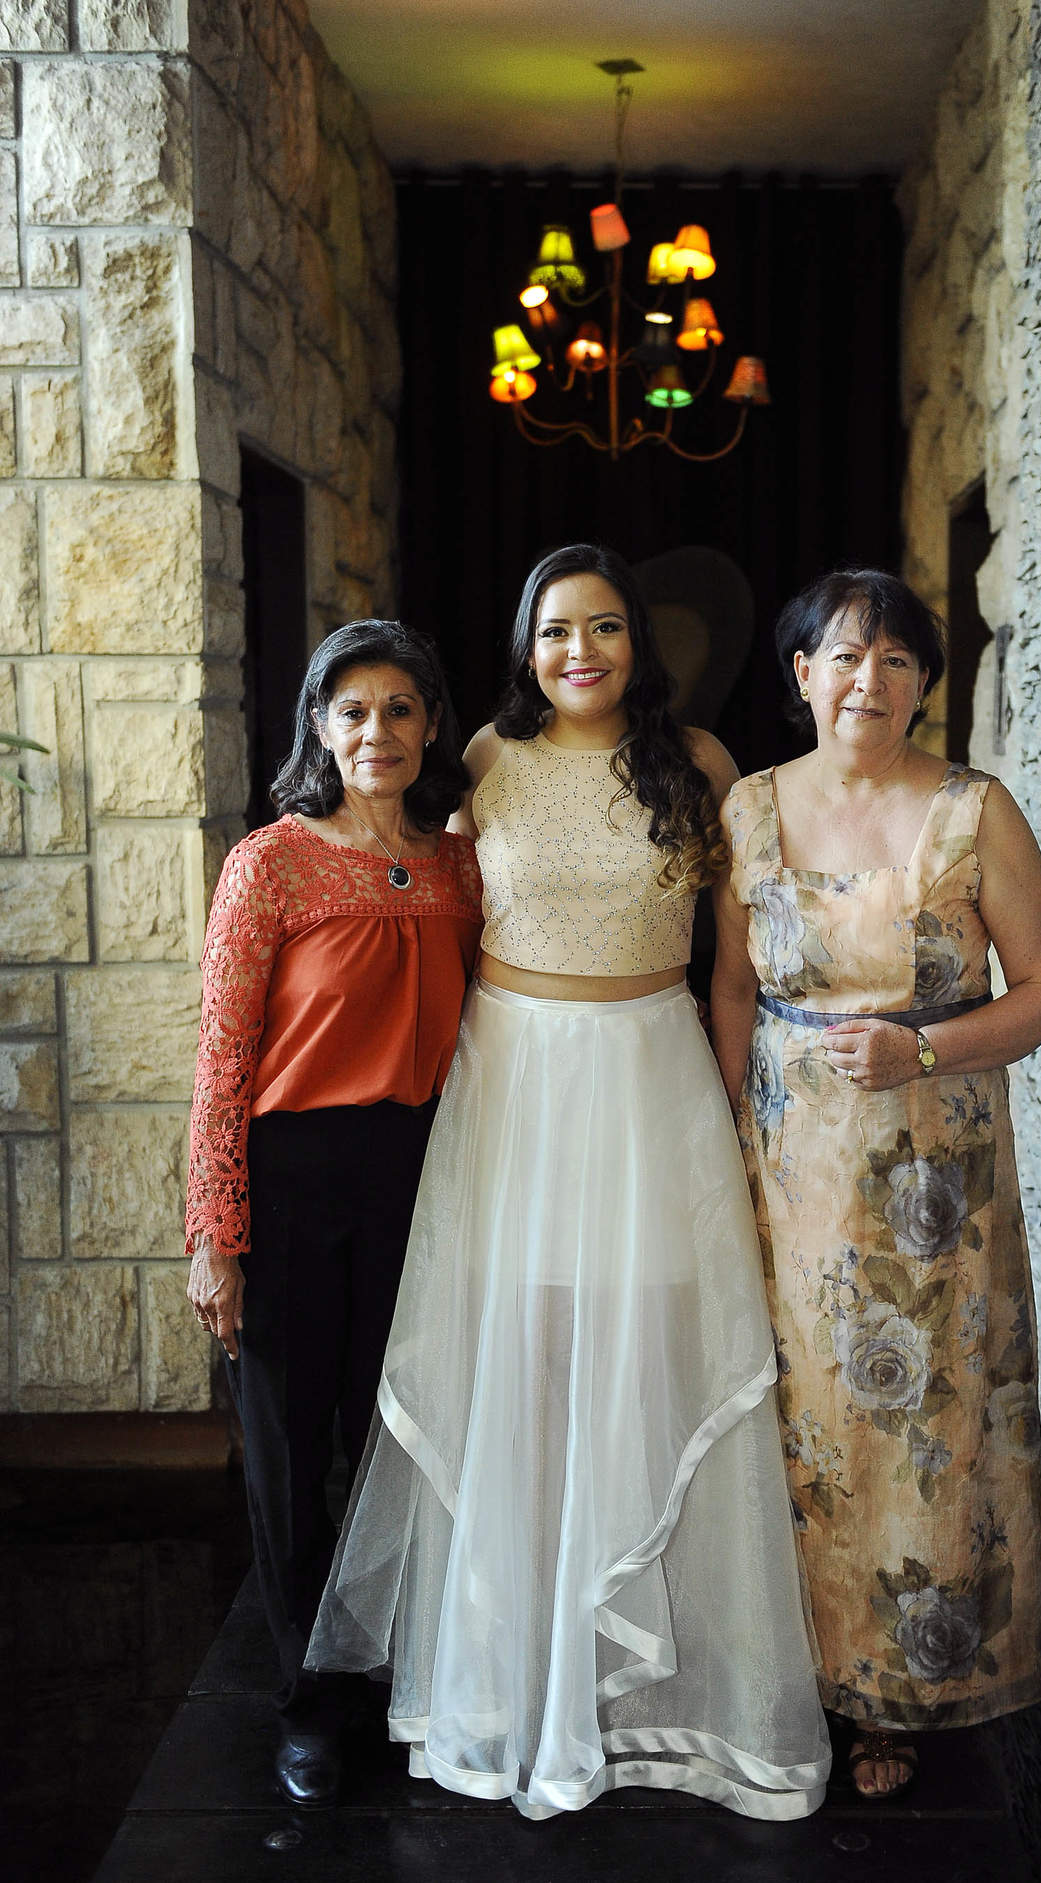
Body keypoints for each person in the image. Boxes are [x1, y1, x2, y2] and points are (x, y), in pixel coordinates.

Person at [306, 545, 831, 1821]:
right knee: (523, 1356)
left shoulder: (699, 762)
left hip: (650, 1074)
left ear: (637, 642)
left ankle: (642, 1676)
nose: (578, 651)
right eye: (554, 630)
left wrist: (730, 1104)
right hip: (515, 1079)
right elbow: (428, 906)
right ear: (525, 646)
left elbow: (732, 961)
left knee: (647, 1343)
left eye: (601, 627)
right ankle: (514, 1666)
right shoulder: (483, 757)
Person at [711, 569, 1041, 1801]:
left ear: (923, 684)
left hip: (933, 1181)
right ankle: (795, 1673)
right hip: (788, 1171)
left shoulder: (975, 811)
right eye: (843, 655)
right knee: (796, 1415)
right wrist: (727, 1131)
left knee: (916, 1419)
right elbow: (729, 986)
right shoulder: (748, 809)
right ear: (801, 673)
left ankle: (891, 1692)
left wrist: (922, 1049)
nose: (868, 680)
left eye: (897, 660)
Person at [184, 620, 482, 1806]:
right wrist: (216, 1231)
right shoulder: (272, 862)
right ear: (319, 724)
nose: (377, 731)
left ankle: (393, 1679)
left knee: (397, 1435)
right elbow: (222, 1054)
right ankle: (308, 1700)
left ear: (431, 724)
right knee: (291, 1448)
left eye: (401, 707)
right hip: (290, 1171)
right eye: (352, 709)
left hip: (421, 1169)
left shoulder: (458, 866)